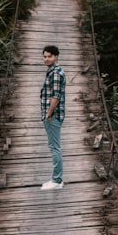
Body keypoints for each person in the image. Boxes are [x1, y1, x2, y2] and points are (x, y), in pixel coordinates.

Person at [40, 45, 66, 190]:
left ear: (56, 57)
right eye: (45, 56)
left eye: (49, 56)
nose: (46, 59)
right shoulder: (53, 71)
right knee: (54, 146)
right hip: (53, 115)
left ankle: (56, 180)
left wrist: (48, 114)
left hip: (53, 116)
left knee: (54, 147)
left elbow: (55, 96)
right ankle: (57, 179)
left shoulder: (55, 73)